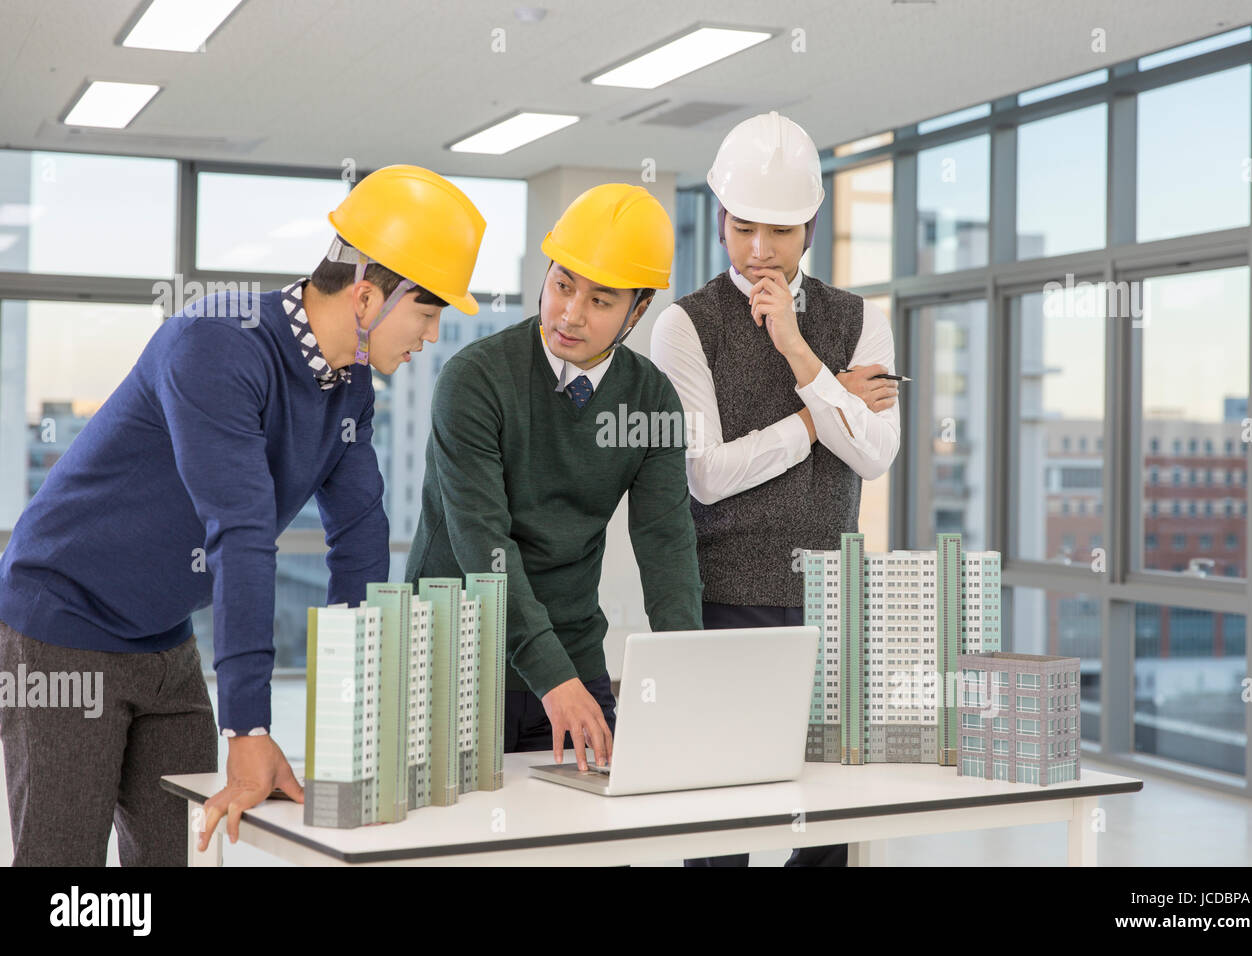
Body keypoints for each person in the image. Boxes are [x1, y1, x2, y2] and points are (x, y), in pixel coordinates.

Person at [0, 164, 485, 864]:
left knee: (170, 852)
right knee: (63, 861)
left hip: (163, 637)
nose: (431, 338)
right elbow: (244, 532)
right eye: (428, 315)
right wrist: (250, 726)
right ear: (369, 295)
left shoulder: (347, 389)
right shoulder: (216, 344)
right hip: (63, 623)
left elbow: (359, 538)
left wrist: (355, 720)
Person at [651, 112, 901, 867]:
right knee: (722, 820)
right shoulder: (684, 326)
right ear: (721, 218)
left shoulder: (859, 319)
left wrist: (796, 347)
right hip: (726, 595)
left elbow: (875, 455)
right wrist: (821, 412)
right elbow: (706, 474)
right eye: (744, 228)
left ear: (811, 229)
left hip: (832, 597)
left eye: (781, 233)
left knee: (824, 823)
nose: (760, 251)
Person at [405, 183, 701, 770]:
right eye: (563, 285)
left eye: (600, 300)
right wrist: (551, 677)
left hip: (571, 651)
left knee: (596, 840)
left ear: (637, 311)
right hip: (454, 654)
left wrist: (683, 667)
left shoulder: (651, 400)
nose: (570, 313)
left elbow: (667, 544)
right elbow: (484, 544)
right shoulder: (476, 380)